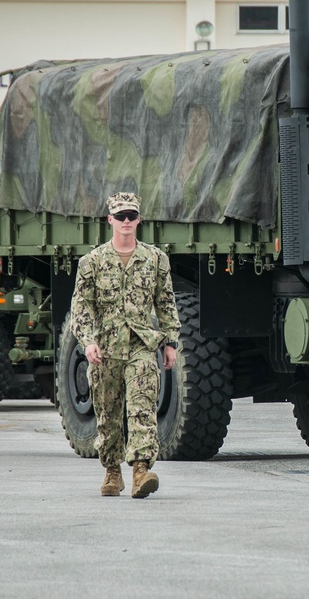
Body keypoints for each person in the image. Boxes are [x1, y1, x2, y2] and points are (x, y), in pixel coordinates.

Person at [70, 191, 180, 499]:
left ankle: (141, 471)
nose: (127, 221)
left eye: (132, 216)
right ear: (110, 221)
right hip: (105, 349)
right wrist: (88, 341)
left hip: (141, 345)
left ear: (139, 220)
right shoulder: (91, 262)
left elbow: (166, 303)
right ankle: (112, 471)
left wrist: (170, 342)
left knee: (143, 406)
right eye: (121, 216)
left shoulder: (155, 259)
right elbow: (81, 307)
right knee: (108, 413)